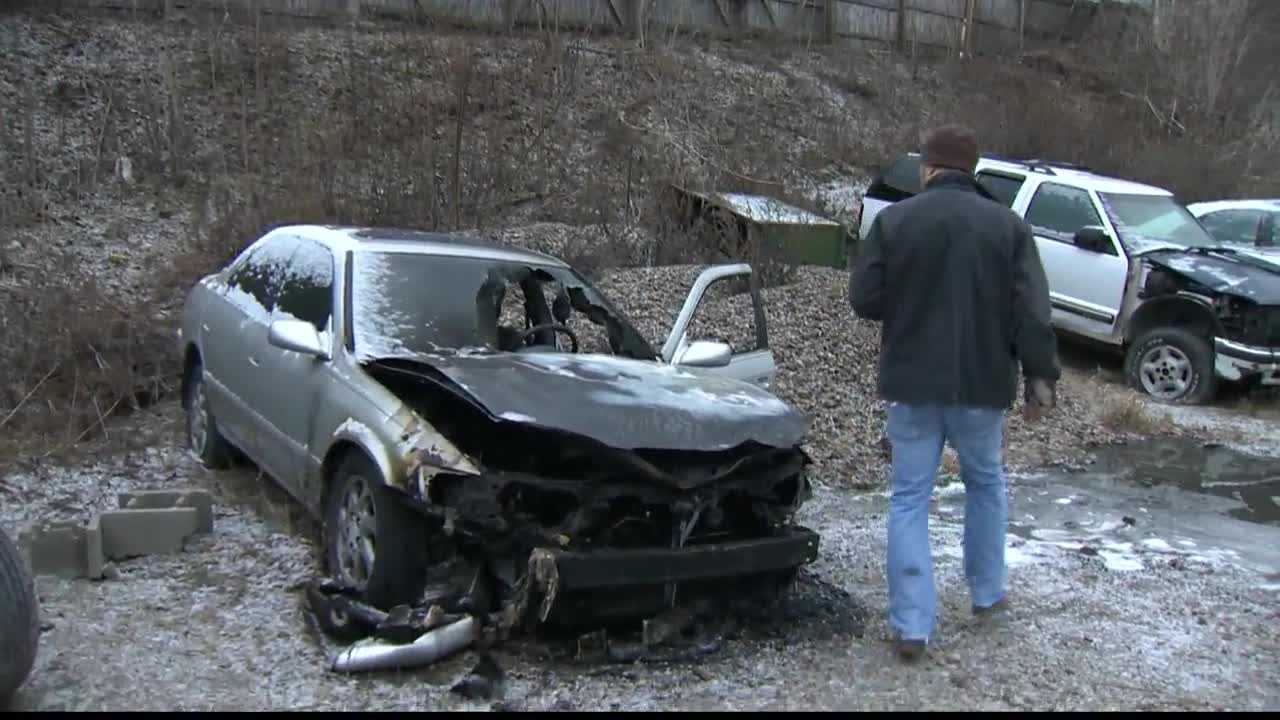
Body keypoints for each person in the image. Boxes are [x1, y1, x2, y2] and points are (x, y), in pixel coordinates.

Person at [849, 125, 1061, 663]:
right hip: (983, 382)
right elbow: (1032, 311)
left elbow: (865, 299)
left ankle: (912, 627)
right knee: (985, 482)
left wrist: (912, 300)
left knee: (910, 497)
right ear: (973, 170)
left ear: (928, 167)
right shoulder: (1009, 227)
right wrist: (1041, 377)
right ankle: (988, 593)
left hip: (913, 382)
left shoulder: (895, 221)